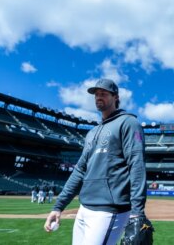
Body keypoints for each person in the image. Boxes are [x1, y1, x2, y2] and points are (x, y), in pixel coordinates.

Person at [44, 78, 147, 245]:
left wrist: (137, 212)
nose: (99, 97)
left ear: (115, 97)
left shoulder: (129, 123)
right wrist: (58, 207)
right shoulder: (92, 132)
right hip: (84, 208)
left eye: (104, 93)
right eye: (96, 94)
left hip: (109, 210)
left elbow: (137, 165)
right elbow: (79, 171)